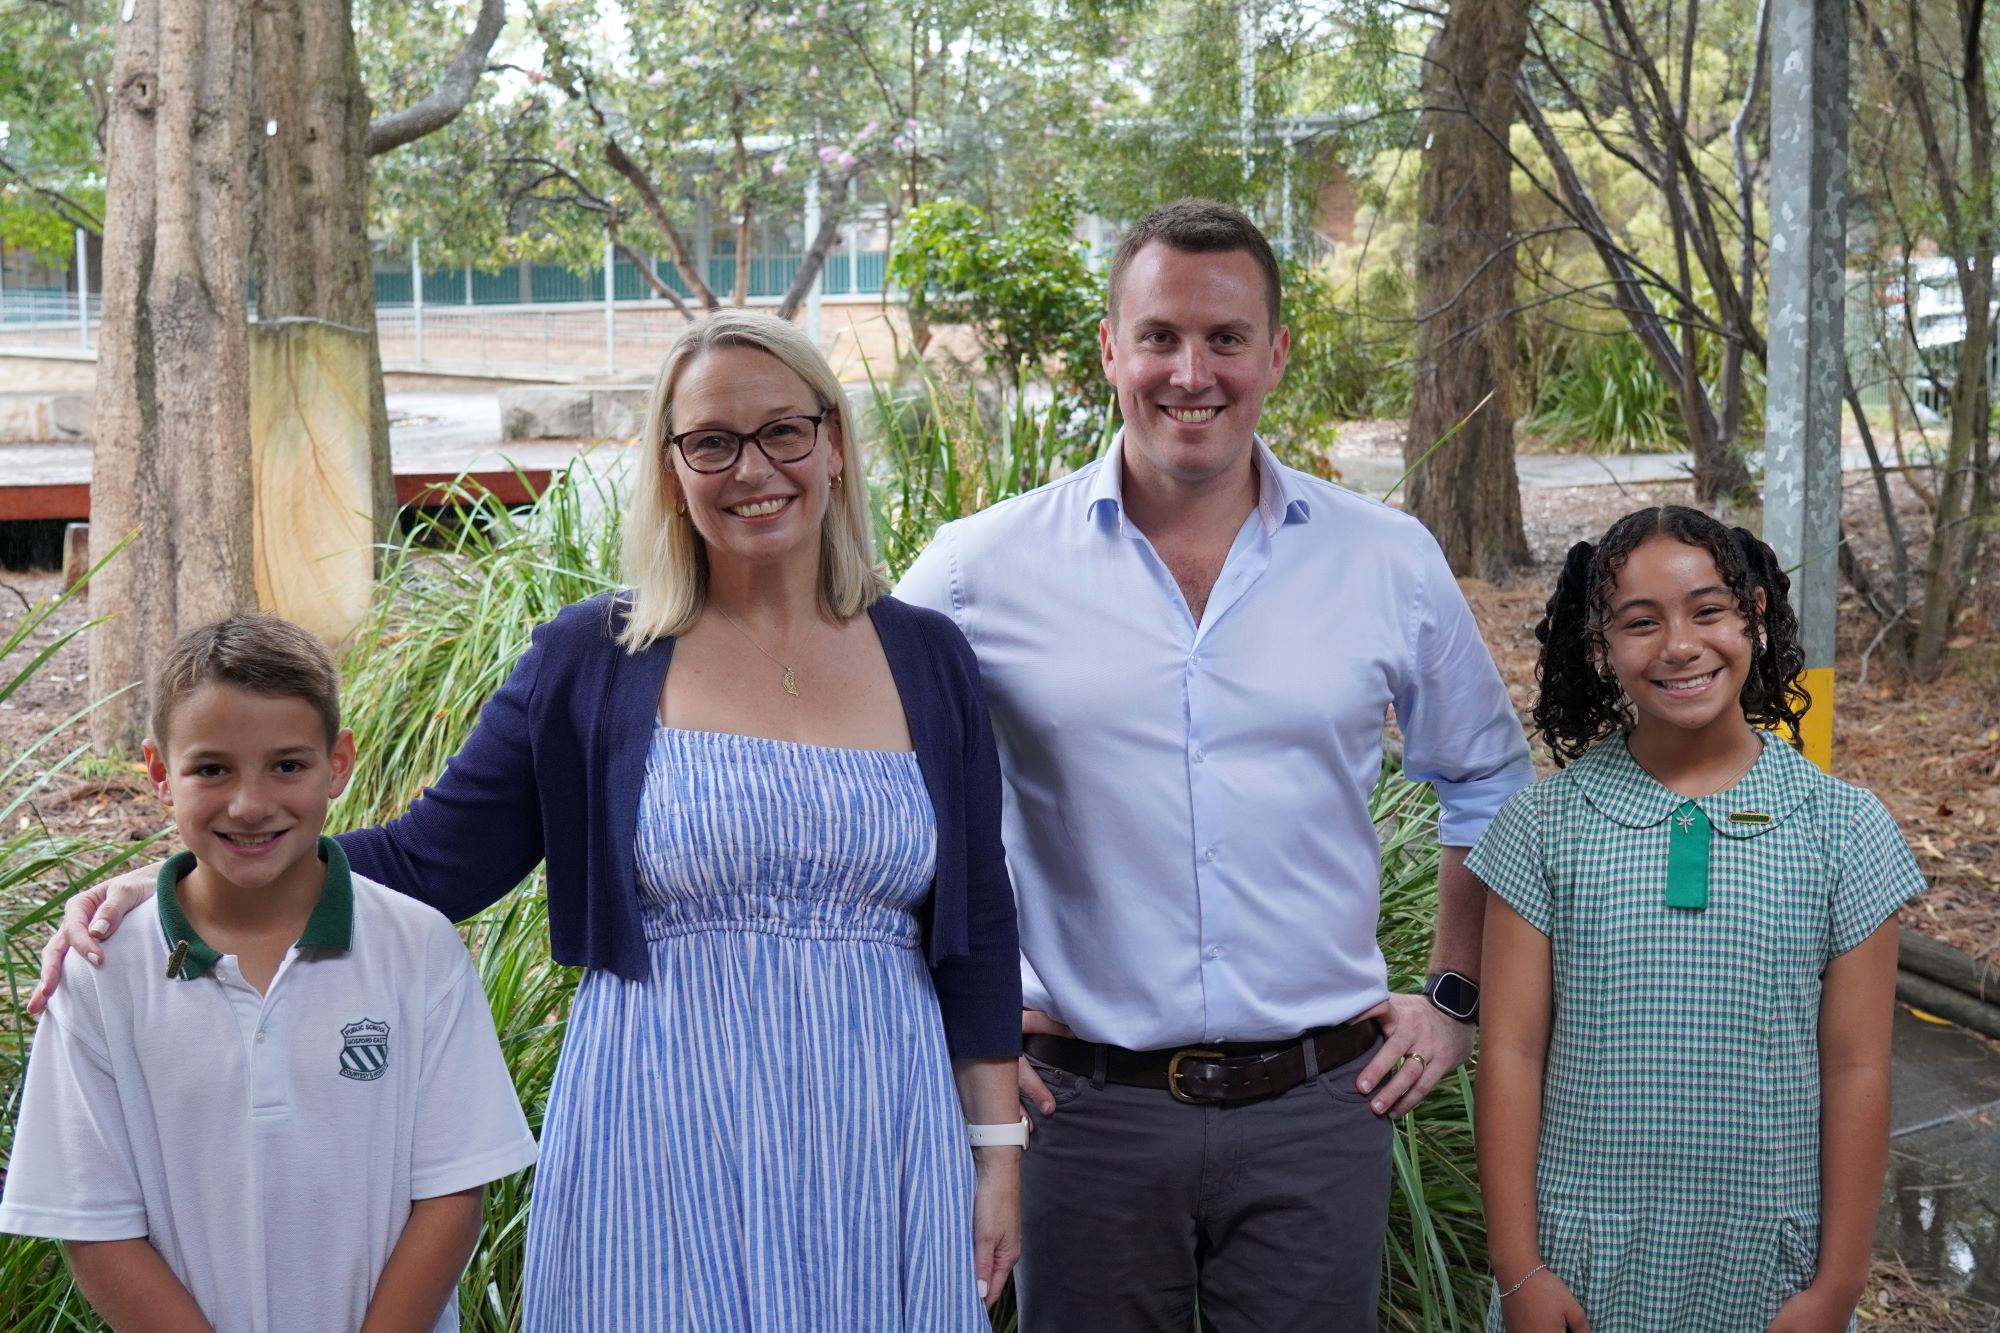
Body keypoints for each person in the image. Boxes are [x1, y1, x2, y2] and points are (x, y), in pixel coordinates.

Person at [34, 311, 1024, 1331]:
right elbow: (429, 859)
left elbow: (977, 925)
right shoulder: (594, 656)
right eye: (710, 442)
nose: (751, 468)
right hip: (660, 1125)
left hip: (878, 1118)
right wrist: (178, 884)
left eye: (783, 431)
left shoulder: (927, 658)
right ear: (671, 467)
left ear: (833, 445)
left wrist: (996, 1156)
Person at [894, 197, 1534, 1329]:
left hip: (1318, 1111)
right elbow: (872, 793)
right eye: (1158, 336)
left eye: (1225, 338)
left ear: (1275, 354)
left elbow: (1484, 779)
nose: (1190, 371)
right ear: (1109, 349)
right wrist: (957, 1030)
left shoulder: (1383, 558)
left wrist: (1450, 996)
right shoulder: (973, 571)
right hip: (1080, 1113)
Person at [0, 613, 538, 1333]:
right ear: (160, 774)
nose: (250, 805)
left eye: (287, 765)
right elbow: (93, 1223)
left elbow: (450, 1193)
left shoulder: (419, 949)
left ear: (338, 763)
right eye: (212, 768)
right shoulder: (102, 974)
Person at [1471, 506, 1922, 1333]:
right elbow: (1509, 1051)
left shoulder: (1843, 830)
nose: (1681, 644)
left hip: (1770, 1275)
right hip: (1581, 1265)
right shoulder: (1542, 828)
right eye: (1642, 622)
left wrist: (1837, 1288)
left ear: (1753, 614)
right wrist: (1518, 1265)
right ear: (1599, 648)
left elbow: (1858, 1067)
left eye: (1708, 610)